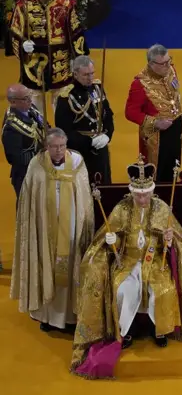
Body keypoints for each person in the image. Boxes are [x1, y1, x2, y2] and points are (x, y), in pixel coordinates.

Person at [70, 155, 182, 379]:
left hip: (156, 265)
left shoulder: (162, 208)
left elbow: (179, 241)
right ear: (132, 192)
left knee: (162, 291)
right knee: (124, 289)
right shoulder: (122, 209)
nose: (143, 199)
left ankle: (159, 330)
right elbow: (105, 236)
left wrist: (170, 241)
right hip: (127, 262)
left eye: (146, 194)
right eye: (138, 194)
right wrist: (112, 240)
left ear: (152, 191)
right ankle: (127, 330)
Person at [10, 127, 94, 333]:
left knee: (72, 265)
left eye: (62, 146)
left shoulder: (77, 163)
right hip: (44, 229)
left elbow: (84, 198)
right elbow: (29, 200)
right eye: (54, 147)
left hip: (72, 227)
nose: (59, 151)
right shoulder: (37, 166)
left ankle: (71, 316)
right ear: (46, 147)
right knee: (45, 263)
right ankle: (46, 316)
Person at [8, 0, 90, 115]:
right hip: (34, 65)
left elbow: (76, 31)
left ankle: (63, 135)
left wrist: (78, 59)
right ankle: (36, 134)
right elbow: (14, 31)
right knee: (33, 108)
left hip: (61, 64)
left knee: (64, 108)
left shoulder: (65, 5)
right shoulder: (23, 6)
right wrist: (22, 45)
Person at [125, 44, 182, 182]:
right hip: (155, 136)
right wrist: (155, 122)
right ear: (151, 64)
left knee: (174, 166)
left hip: (175, 128)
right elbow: (130, 112)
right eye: (163, 63)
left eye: (169, 61)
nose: (168, 66)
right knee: (158, 172)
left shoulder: (171, 70)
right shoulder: (139, 84)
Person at [54, 55, 114, 184]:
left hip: (101, 146)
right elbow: (64, 130)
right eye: (86, 75)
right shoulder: (67, 96)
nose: (90, 78)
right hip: (80, 151)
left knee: (104, 183)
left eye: (92, 73)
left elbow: (108, 114)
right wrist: (89, 142)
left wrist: (108, 135)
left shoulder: (97, 87)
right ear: (75, 74)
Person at [2, 83, 48, 201]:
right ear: (13, 102)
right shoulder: (11, 127)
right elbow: (15, 158)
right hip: (25, 175)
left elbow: (44, 126)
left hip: (42, 169)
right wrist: (42, 154)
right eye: (25, 98)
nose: (30, 100)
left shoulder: (30, 108)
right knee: (28, 210)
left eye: (30, 96)